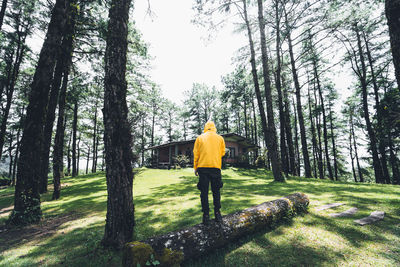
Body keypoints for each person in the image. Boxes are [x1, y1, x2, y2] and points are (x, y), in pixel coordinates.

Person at [193, 120, 226, 225]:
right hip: (215, 167)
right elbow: (222, 153)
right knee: (216, 191)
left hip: (202, 168)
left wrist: (195, 168)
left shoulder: (199, 138)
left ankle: (206, 215)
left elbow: (196, 154)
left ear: (205, 127)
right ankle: (217, 213)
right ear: (214, 127)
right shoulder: (220, 138)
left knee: (204, 192)